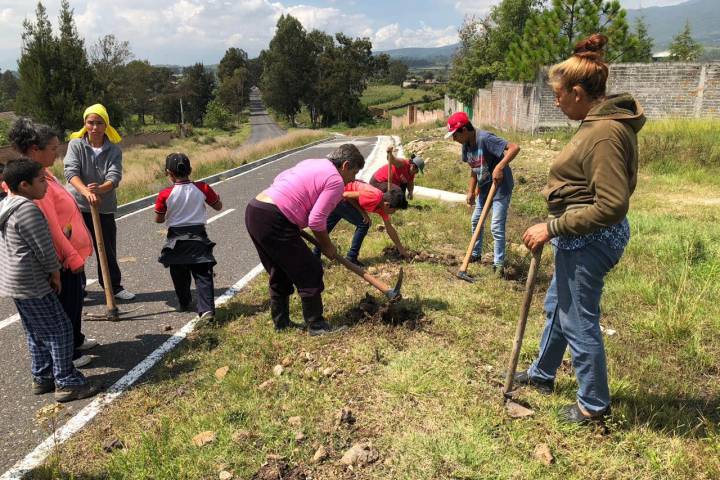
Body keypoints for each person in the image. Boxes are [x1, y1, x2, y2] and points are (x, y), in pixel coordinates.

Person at [517, 34, 645, 424]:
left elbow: (611, 204)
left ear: (577, 91)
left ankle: (592, 405)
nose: (555, 102)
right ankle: (541, 374)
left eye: (558, 95)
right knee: (558, 307)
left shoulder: (605, 132)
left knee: (577, 318)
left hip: (591, 239)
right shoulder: (598, 123)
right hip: (580, 237)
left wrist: (552, 227)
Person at [0, 159, 98, 402]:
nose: (46, 185)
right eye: (41, 180)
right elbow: (44, 249)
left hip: (14, 281)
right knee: (61, 330)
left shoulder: (7, 205)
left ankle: (42, 376)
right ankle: (66, 381)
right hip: (32, 281)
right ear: (24, 185)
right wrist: (55, 274)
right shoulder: (27, 209)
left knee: (35, 330)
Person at [245, 144, 364, 335]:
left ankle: (281, 324)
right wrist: (328, 246)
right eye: (354, 172)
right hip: (276, 217)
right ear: (346, 165)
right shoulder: (335, 180)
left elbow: (280, 179)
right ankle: (316, 326)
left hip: (256, 209)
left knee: (280, 271)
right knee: (310, 269)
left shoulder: (314, 162)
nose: (354, 178)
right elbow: (316, 221)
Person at [8, 118, 97, 368]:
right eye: (53, 148)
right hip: (63, 257)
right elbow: (50, 227)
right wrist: (71, 257)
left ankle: (75, 340)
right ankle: (67, 357)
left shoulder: (42, 173)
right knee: (65, 308)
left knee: (75, 302)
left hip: (69, 252)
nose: (57, 153)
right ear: (35, 149)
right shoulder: (33, 183)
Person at [64, 104, 135, 301]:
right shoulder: (76, 145)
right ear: (85, 124)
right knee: (77, 248)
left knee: (107, 247)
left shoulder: (113, 149)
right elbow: (71, 172)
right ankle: (79, 289)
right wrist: (86, 192)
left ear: (106, 125)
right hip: (77, 205)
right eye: (90, 123)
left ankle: (114, 287)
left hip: (103, 206)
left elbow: (115, 176)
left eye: (99, 123)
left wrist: (100, 190)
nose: (94, 127)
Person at [445, 111, 519, 275]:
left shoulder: (485, 139)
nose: (454, 139)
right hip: (484, 188)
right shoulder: (466, 146)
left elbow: (514, 148)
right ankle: (476, 254)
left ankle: (498, 265)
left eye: (455, 135)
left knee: (496, 227)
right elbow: (474, 168)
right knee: (475, 221)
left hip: (501, 187)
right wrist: (471, 191)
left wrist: (499, 167)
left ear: (464, 130)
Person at [155, 153, 222, 322]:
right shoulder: (203, 188)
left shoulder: (165, 194)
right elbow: (218, 207)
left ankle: (184, 302)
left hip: (175, 239)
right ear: (190, 170)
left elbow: (158, 219)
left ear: (168, 173)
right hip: (198, 236)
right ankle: (206, 310)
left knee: (178, 273)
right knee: (203, 274)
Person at [315, 181, 410, 266]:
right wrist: (363, 213)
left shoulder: (382, 207)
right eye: (395, 210)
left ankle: (315, 255)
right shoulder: (374, 197)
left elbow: (389, 228)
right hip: (341, 197)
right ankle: (351, 257)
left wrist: (400, 248)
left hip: (340, 200)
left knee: (326, 228)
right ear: (387, 205)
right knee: (364, 223)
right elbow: (346, 195)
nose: (394, 212)